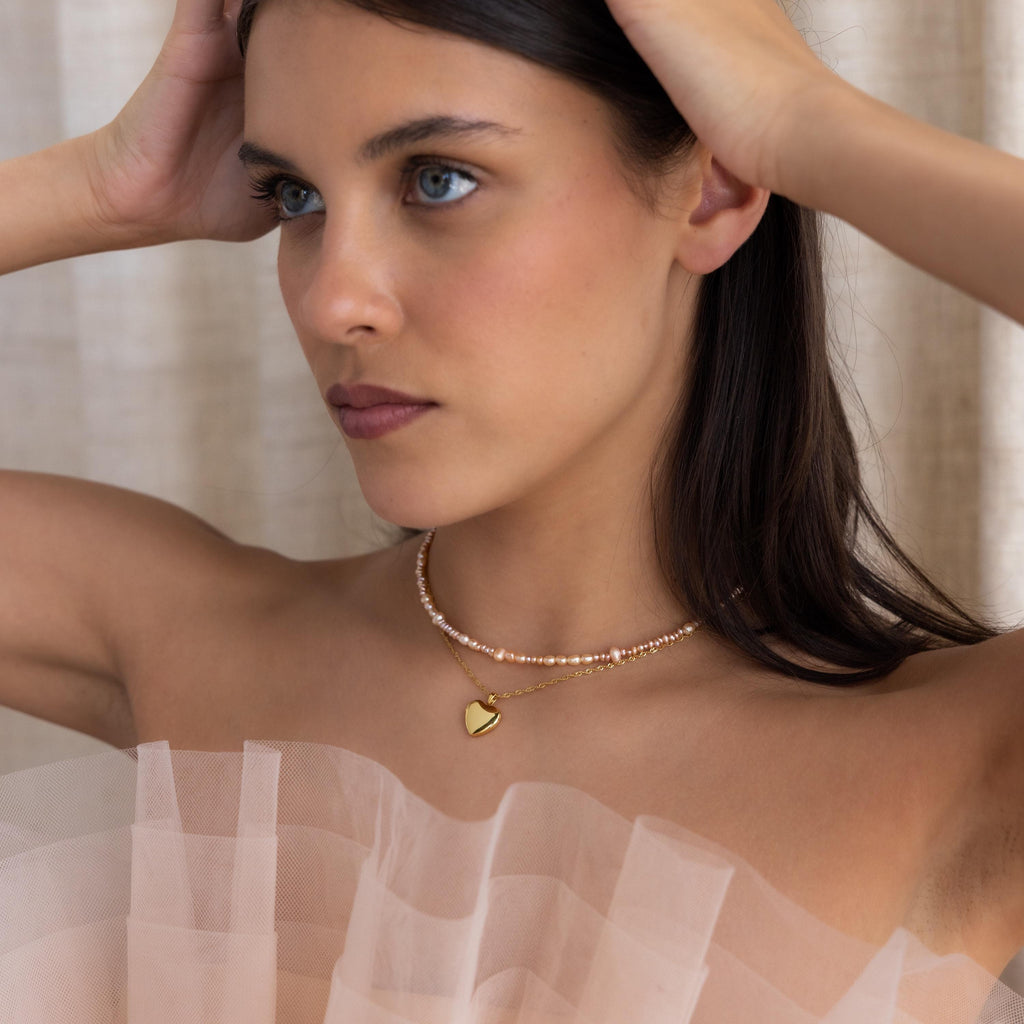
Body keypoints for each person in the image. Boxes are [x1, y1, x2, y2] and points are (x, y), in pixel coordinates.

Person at [1, 0, 1023, 1020]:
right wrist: (102, 186)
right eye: (296, 194)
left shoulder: (959, 761)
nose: (332, 302)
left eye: (437, 178)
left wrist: (805, 126)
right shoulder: (191, 635)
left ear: (711, 188)